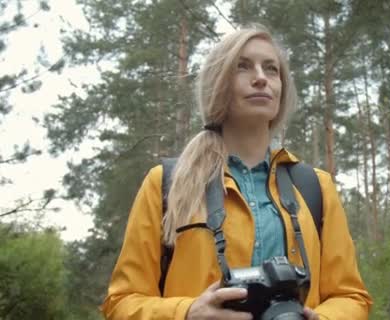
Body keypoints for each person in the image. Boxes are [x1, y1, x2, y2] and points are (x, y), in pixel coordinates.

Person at [100, 25, 372, 320]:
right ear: (218, 84)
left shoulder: (315, 187)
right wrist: (187, 313)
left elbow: (351, 297)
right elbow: (121, 302)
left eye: (272, 69)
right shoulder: (165, 182)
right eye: (243, 67)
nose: (260, 78)